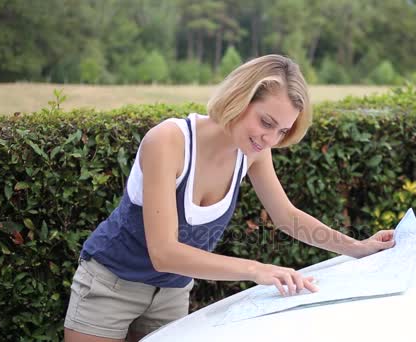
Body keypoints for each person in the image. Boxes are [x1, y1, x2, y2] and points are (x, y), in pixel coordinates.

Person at [64, 54, 395, 341]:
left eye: (282, 131)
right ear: (239, 98)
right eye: (266, 122)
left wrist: (358, 248)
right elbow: (163, 252)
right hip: (110, 286)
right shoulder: (168, 141)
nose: (269, 139)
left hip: (172, 293)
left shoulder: (252, 152)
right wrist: (255, 269)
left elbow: (286, 216)